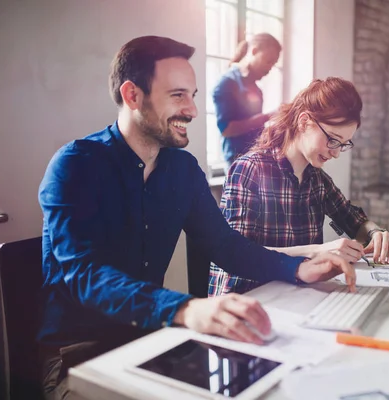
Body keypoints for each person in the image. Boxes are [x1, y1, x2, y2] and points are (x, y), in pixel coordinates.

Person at [38, 36, 356, 399]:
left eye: (193, 95)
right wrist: (186, 308)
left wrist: (298, 269)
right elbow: (87, 275)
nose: (191, 110)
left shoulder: (182, 169)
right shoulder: (75, 165)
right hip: (77, 354)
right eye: (177, 95)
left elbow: (224, 245)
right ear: (132, 95)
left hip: (151, 337)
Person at [209, 77, 389, 296]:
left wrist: (376, 233)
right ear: (304, 122)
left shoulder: (317, 179)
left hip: (292, 294)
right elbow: (239, 254)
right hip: (245, 299)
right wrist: (318, 251)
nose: (336, 153)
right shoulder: (249, 169)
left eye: (343, 144)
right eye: (333, 140)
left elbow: (354, 220)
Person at [212, 32, 281, 170]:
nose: (270, 68)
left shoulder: (256, 89)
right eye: (268, 61)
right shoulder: (227, 83)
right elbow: (226, 129)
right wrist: (267, 117)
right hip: (237, 163)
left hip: (254, 158)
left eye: (273, 64)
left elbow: (254, 129)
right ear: (254, 51)